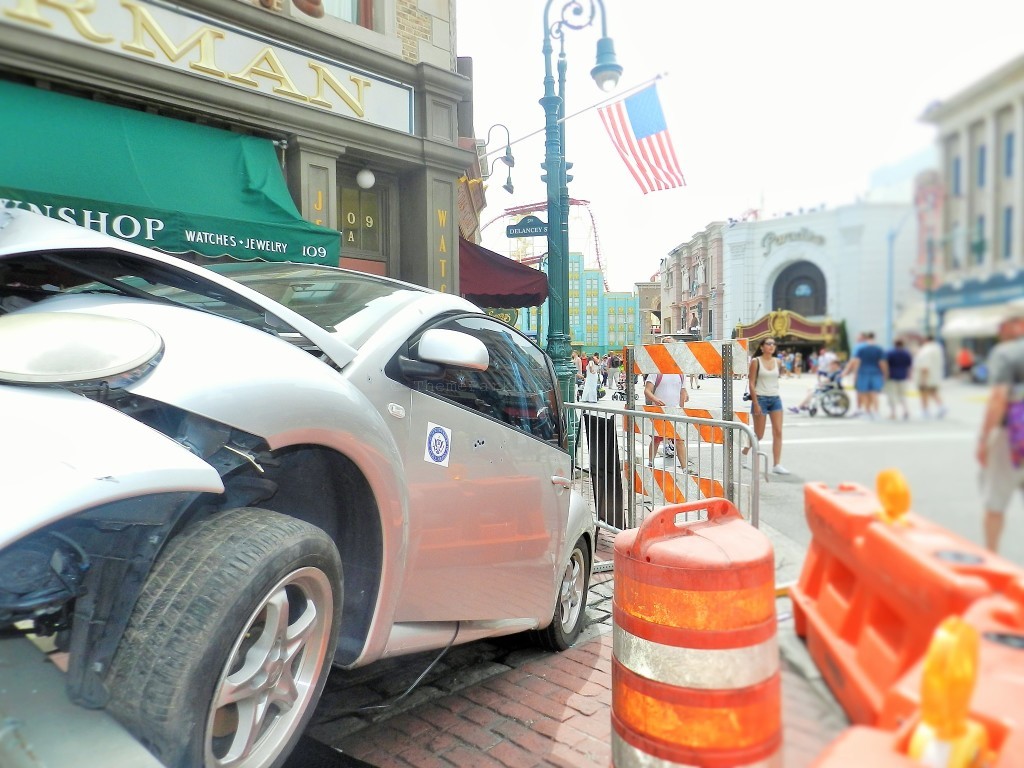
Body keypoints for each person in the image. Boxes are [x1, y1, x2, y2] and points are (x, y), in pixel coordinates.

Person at [976, 307, 1024, 552]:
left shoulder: (1006, 352)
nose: (1000, 332)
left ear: (1019, 324)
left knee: (995, 504)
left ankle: (992, 559)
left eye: (1003, 326)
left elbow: (998, 398)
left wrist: (984, 439)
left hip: (1013, 436)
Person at [742, 337, 790, 474]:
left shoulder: (778, 362)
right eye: (768, 343)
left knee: (778, 432)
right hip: (760, 399)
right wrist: (756, 403)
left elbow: (778, 377)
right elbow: (751, 382)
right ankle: (745, 451)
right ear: (762, 347)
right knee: (759, 434)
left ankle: (777, 464)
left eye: (773, 344)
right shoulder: (756, 362)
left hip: (775, 399)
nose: (771, 346)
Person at [644, 338, 689, 465]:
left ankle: (685, 469)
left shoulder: (680, 372)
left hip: (674, 412)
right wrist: (655, 399)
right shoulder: (656, 370)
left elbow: (682, 391)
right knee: (656, 439)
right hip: (659, 412)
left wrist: (681, 409)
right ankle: (651, 464)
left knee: (679, 440)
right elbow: (647, 390)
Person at [843, 331, 888, 419]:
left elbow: (856, 361)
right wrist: (885, 374)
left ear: (866, 338)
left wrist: (849, 372)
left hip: (863, 373)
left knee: (864, 393)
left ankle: (867, 412)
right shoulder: (879, 349)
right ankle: (876, 412)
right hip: (875, 372)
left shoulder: (861, 348)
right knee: (874, 393)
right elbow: (882, 363)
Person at [914, 335, 947, 418]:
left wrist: (923, 379)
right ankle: (941, 407)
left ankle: (925, 410)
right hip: (935, 375)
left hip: (926, 375)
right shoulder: (938, 349)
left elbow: (925, 365)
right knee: (933, 392)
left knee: (924, 393)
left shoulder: (925, 350)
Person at [885, 339, 913, 420]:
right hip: (903, 375)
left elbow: (886, 364)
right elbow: (909, 366)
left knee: (891, 394)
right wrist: (909, 375)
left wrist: (885, 375)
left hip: (892, 375)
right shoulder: (906, 353)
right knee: (902, 395)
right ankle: (905, 410)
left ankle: (893, 413)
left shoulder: (890, 353)